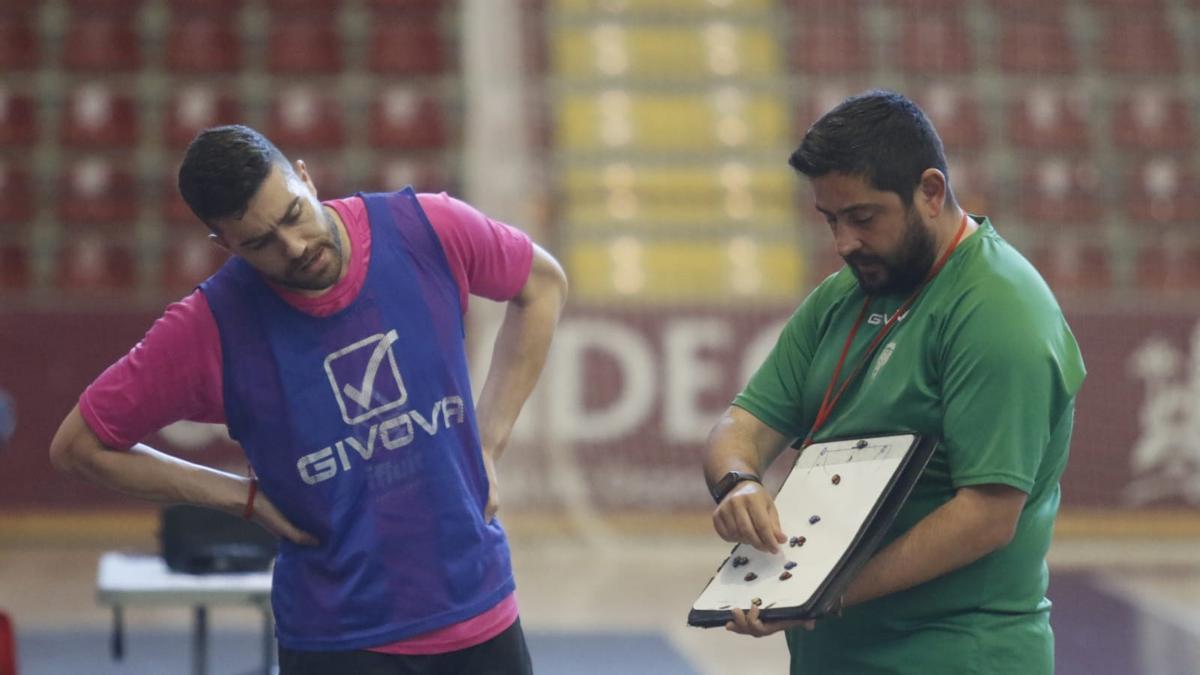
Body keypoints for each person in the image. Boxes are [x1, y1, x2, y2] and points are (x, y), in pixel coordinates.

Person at [49, 125, 568, 674]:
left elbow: (542, 285)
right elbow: (78, 446)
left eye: (293, 215)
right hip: (338, 642)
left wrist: (489, 439)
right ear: (223, 244)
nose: (293, 248)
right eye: (258, 243)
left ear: (304, 177)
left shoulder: (425, 228)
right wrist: (240, 500)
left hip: (480, 612)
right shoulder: (209, 327)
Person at [702, 90, 1085, 674]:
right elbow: (743, 425)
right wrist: (738, 484)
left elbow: (986, 517)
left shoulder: (1001, 311)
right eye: (831, 220)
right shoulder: (844, 295)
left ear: (930, 192)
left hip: (956, 655)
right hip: (833, 654)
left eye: (862, 217)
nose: (844, 242)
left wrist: (824, 593)